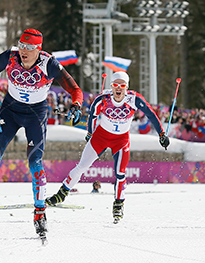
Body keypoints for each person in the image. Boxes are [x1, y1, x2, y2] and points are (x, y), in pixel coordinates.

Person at [0, 29, 83, 238]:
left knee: (35, 163)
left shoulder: (50, 64)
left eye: (29, 48)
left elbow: (75, 90)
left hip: (35, 116)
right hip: (9, 111)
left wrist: (76, 105)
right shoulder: (9, 57)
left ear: (39, 49)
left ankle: (39, 213)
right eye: (21, 45)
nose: (24, 51)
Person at [45, 71, 169, 223]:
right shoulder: (103, 99)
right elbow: (93, 116)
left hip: (121, 140)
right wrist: (90, 133)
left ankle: (118, 204)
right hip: (101, 138)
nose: (118, 89)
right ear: (111, 86)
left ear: (127, 87)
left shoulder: (134, 99)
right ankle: (61, 194)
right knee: (82, 166)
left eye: (122, 86)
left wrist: (162, 134)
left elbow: (151, 114)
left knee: (120, 173)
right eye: (115, 85)